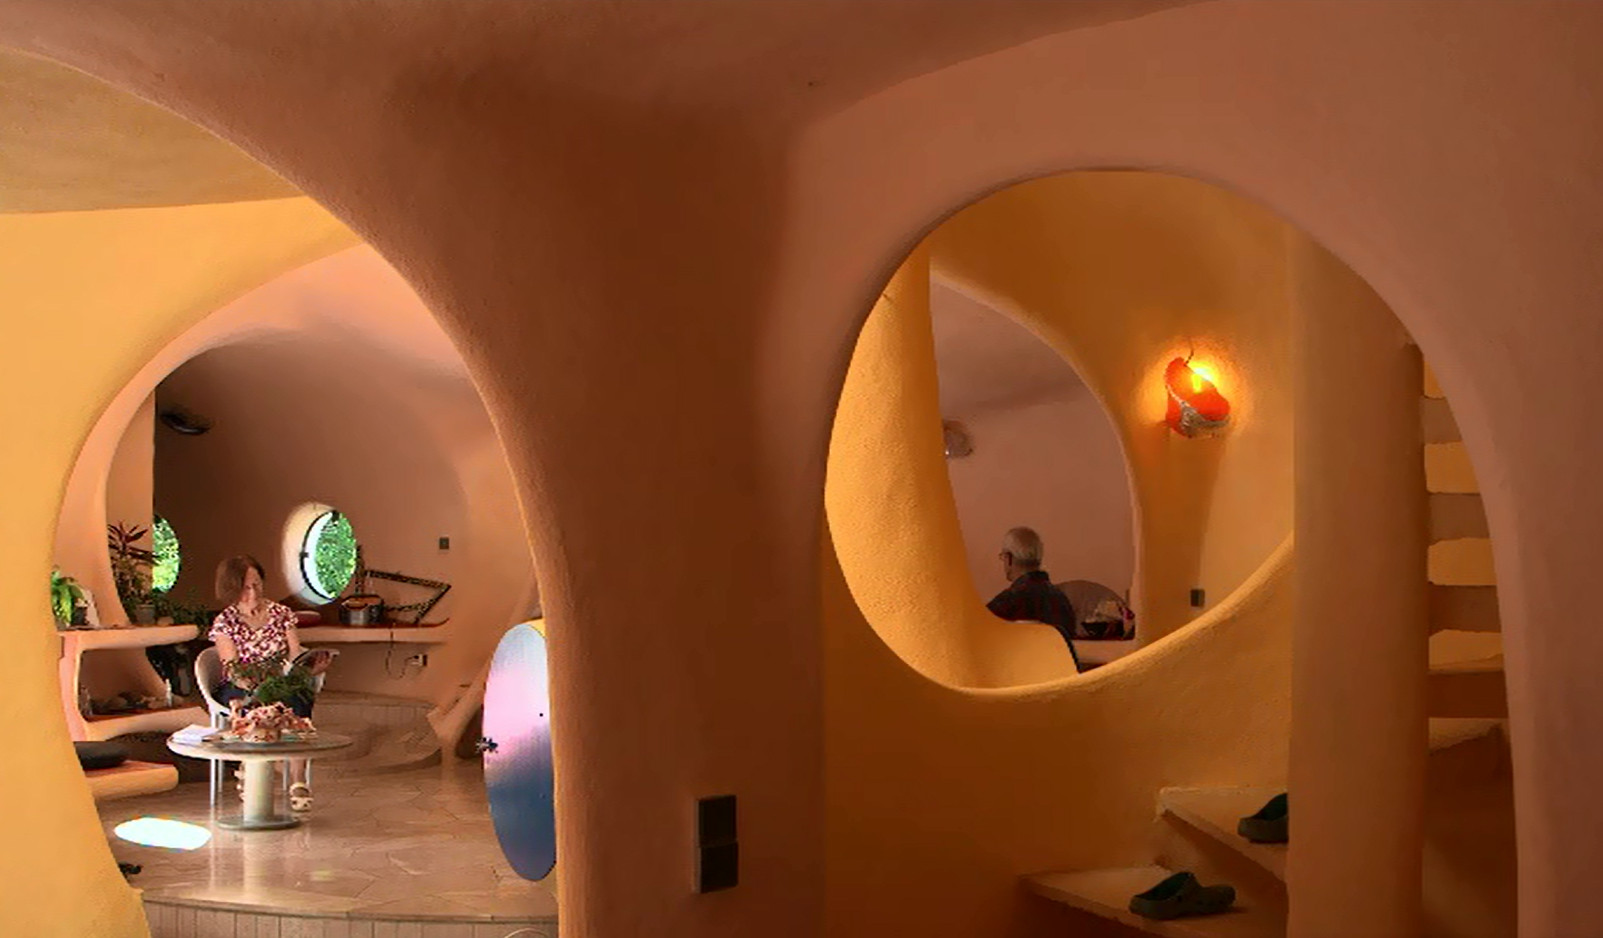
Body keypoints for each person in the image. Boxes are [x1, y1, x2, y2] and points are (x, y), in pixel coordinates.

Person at [209, 555, 332, 812]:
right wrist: (257, 687)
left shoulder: (281, 614)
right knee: (255, 701)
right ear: (232, 589)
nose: (253, 593)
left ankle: (298, 780)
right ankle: (248, 767)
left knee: (299, 696)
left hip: (279, 681)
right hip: (240, 684)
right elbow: (233, 669)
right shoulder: (225, 621)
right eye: (245, 587)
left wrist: (311, 668)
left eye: (257, 585)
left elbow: (295, 653)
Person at [986, 527, 1081, 672]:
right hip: (1059, 679)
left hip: (1019, 680)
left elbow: (976, 637)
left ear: (1009, 558)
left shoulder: (1007, 601)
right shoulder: (1061, 599)